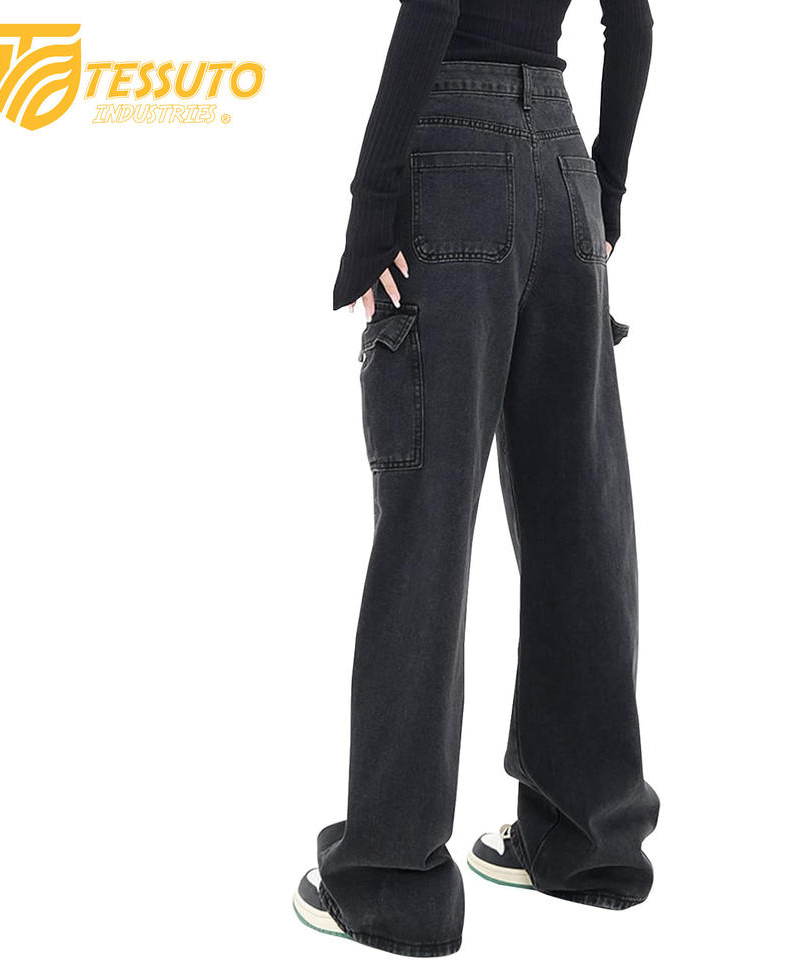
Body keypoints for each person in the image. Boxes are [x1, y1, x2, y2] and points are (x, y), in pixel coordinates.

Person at [293, 2, 659, 955]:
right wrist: (607, 186)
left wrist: (372, 204)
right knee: (579, 513)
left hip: (454, 153)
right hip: (564, 165)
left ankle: (390, 878)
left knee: (427, 520)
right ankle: (588, 840)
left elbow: (435, 6)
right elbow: (633, 20)